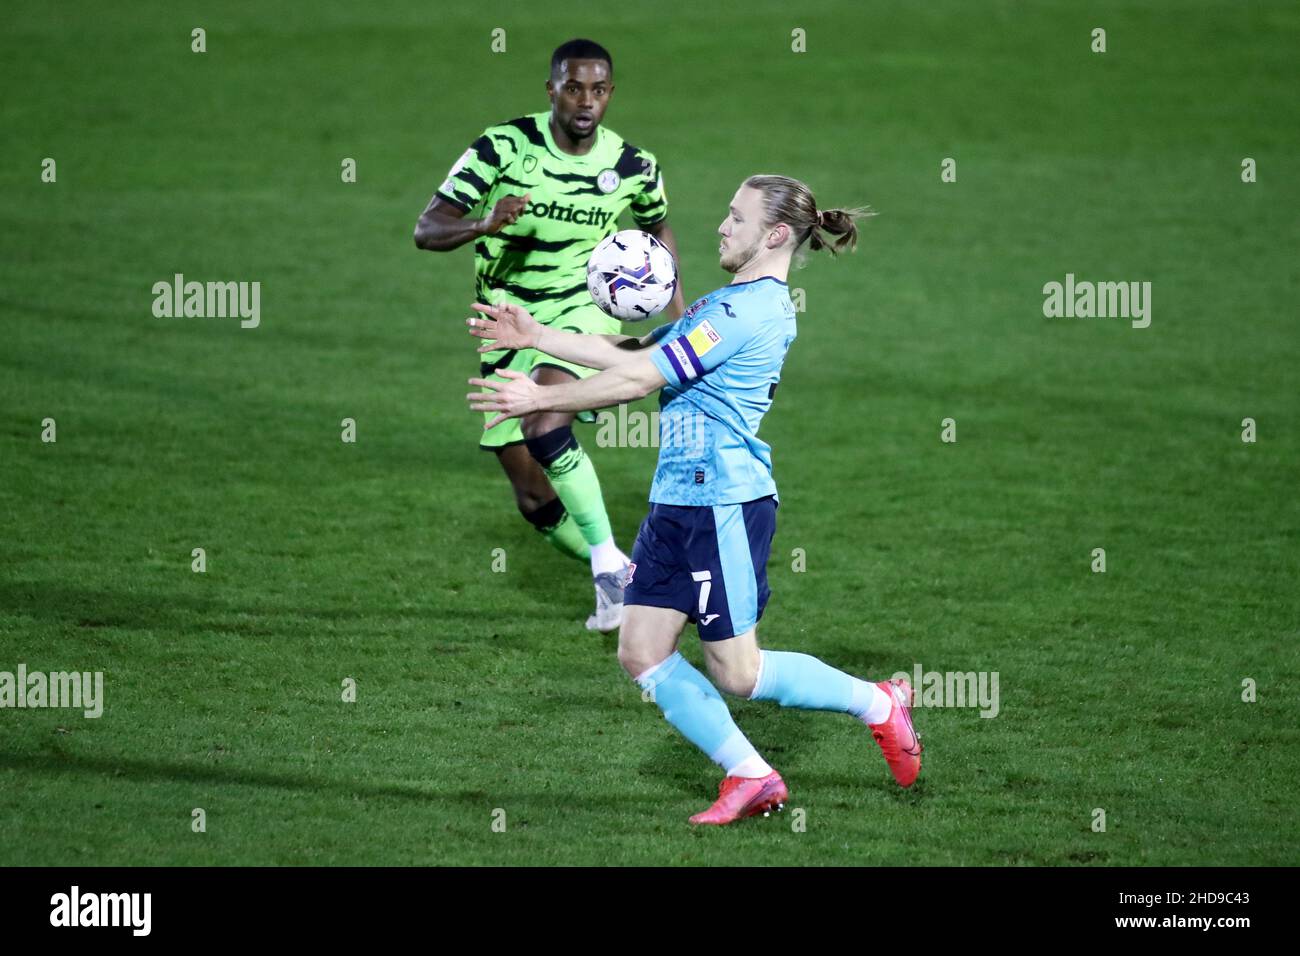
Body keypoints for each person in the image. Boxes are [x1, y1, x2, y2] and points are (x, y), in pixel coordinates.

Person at [465, 175, 922, 825]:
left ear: (775, 235)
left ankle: (879, 703)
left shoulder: (750, 311)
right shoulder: (722, 304)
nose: (720, 227)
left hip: (724, 506)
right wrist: (540, 337)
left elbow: (642, 378)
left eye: (735, 218)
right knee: (641, 651)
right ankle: (751, 775)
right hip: (677, 502)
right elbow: (638, 352)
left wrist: (541, 399)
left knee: (738, 672)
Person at [415, 38, 685, 631]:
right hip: (503, 323)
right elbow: (427, 228)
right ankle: (626, 576)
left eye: (598, 89)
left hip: (579, 316)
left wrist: (678, 325)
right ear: (552, 90)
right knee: (533, 497)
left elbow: (658, 230)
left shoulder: (634, 165)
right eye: (572, 87)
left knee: (543, 418)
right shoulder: (501, 148)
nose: (585, 101)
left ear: (610, 93)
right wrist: (485, 222)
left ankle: (616, 574)